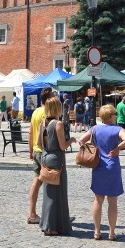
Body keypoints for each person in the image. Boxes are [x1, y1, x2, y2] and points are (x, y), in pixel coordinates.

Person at [78, 104, 125, 241]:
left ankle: (96, 232)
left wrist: (93, 147)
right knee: (112, 201)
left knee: (98, 200)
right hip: (112, 166)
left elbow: (81, 140)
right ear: (111, 116)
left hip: (98, 166)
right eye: (114, 114)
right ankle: (112, 233)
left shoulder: (94, 129)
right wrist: (117, 148)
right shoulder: (117, 129)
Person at [39, 96, 76, 236]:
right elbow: (62, 146)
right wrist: (71, 140)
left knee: (48, 193)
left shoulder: (43, 122)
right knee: (57, 194)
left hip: (45, 156)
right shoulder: (58, 124)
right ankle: (52, 226)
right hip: (56, 159)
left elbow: (38, 143)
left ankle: (47, 223)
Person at [27, 87, 54, 224]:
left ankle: (32, 213)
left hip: (36, 151)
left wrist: (30, 149)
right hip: (45, 151)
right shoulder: (47, 112)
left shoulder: (36, 111)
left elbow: (31, 132)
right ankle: (53, 216)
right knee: (52, 183)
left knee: (36, 182)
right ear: (49, 99)